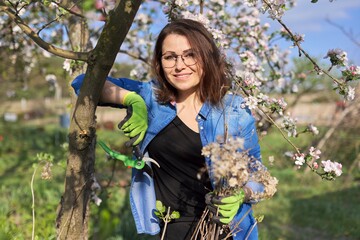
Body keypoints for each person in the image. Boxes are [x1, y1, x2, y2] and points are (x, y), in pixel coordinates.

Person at [72, 18, 264, 240]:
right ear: (160, 62)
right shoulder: (151, 98)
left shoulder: (234, 110)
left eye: (190, 55)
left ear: (207, 57)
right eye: (170, 57)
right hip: (170, 229)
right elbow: (83, 82)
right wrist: (132, 99)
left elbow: (257, 174)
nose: (179, 65)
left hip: (226, 229)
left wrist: (242, 194)